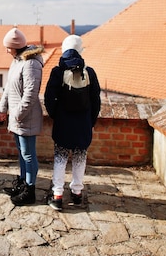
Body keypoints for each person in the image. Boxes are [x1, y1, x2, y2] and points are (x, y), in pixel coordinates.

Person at [43, 35, 101, 210]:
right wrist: (90, 121)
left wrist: (55, 115)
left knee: (60, 158)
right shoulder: (89, 72)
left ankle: (57, 194)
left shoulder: (57, 72)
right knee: (79, 158)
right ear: (80, 50)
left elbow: (48, 98)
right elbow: (95, 100)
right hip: (82, 123)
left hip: (63, 122)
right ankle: (76, 192)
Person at [0, 26, 44, 206]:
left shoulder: (31, 63)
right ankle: (23, 183)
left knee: (28, 154)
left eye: (7, 46)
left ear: (15, 46)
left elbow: (31, 93)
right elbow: (9, 87)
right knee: (21, 153)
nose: (6, 50)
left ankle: (30, 190)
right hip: (17, 117)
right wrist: (3, 108)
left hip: (26, 117)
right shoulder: (17, 60)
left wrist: (17, 114)